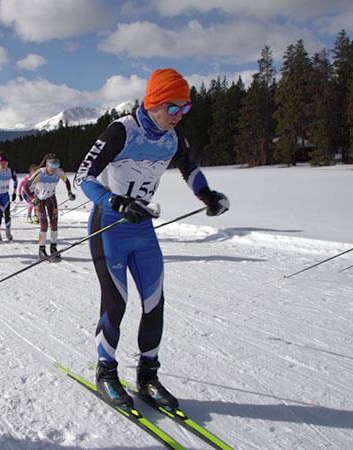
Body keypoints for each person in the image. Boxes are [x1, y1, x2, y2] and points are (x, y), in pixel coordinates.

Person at [74, 68, 229, 410]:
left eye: (185, 109)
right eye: (173, 108)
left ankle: (148, 376)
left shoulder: (172, 138)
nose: (179, 116)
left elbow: (190, 167)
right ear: (154, 102)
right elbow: (82, 177)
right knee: (117, 302)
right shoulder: (122, 131)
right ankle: (106, 372)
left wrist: (207, 195)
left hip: (142, 229)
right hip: (109, 226)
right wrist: (113, 201)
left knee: (154, 303)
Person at [24, 154, 76, 261]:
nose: (54, 169)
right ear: (47, 165)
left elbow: (66, 181)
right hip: (40, 200)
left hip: (51, 199)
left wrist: (69, 192)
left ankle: (53, 248)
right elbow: (25, 186)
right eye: (52, 166)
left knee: (54, 224)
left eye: (56, 166)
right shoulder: (40, 173)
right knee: (44, 225)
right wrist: (33, 198)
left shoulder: (58, 172)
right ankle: (41, 249)